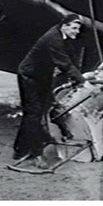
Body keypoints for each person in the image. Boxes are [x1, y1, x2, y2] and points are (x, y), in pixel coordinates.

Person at [13, 14, 88, 167]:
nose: (76, 32)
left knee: (41, 109)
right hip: (30, 76)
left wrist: (79, 76)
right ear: (64, 26)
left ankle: (20, 149)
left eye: (78, 29)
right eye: (74, 28)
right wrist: (83, 82)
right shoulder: (52, 39)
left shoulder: (63, 36)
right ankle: (37, 154)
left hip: (43, 75)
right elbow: (64, 63)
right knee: (33, 113)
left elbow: (70, 57)